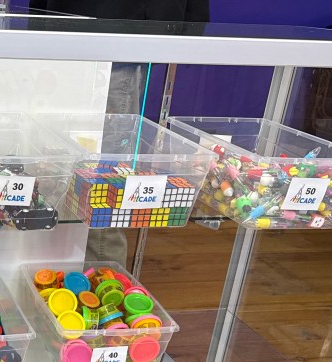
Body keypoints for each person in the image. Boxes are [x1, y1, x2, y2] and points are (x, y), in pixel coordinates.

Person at [31, 0, 210, 262]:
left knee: (103, 183)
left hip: (113, 39)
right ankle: (68, 276)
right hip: (78, 34)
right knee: (61, 167)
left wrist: (186, 31)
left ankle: (104, 282)